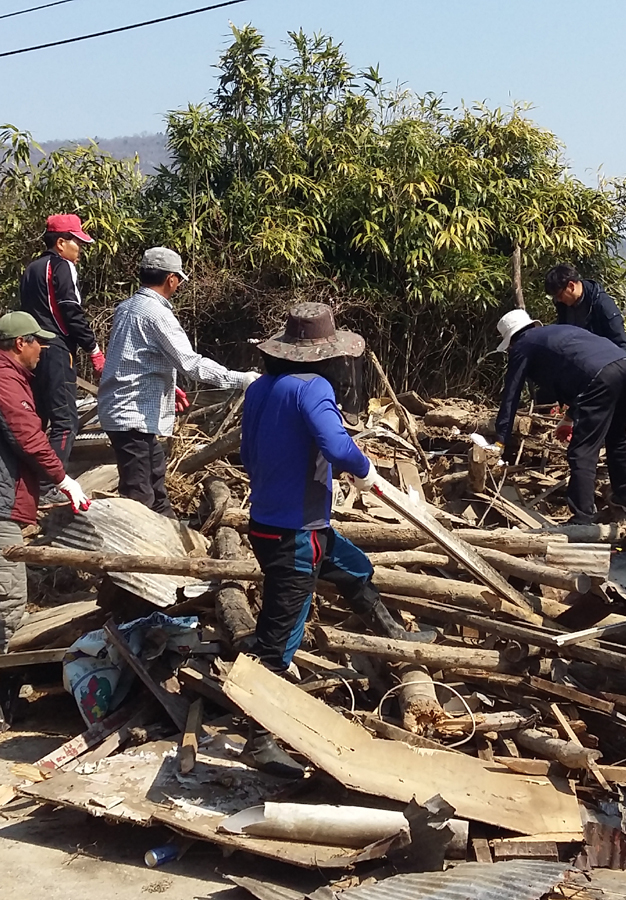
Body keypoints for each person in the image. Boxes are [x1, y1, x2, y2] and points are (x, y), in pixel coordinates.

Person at [239, 302, 434, 778]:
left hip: (279, 524)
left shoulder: (261, 388)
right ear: (323, 357)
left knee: (353, 567)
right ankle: (259, 738)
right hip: (294, 535)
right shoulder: (313, 388)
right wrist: (365, 471)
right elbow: (335, 444)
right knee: (280, 636)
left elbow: (248, 452)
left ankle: (393, 633)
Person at [0, 311, 90, 656]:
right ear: (20, 343)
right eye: (37, 341)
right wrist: (64, 479)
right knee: (7, 598)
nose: (41, 348)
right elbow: (28, 436)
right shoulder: (2, 380)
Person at [99, 247, 258, 517]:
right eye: (179, 280)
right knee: (140, 494)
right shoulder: (156, 314)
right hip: (132, 414)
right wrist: (241, 379)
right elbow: (190, 363)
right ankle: (141, 553)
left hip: (128, 411)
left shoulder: (126, 308)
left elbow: (131, 358)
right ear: (171, 279)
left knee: (156, 483)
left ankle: (172, 541)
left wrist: (169, 386)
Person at [490, 310, 626, 525]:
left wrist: (500, 440)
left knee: (582, 451)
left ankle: (583, 517)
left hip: (602, 378)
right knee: (616, 437)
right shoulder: (557, 333)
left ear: (511, 339)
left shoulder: (523, 345)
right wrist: (569, 418)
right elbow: (584, 372)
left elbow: (511, 395)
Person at [19, 214, 105, 486]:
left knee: (37, 418)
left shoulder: (31, 268)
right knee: (66, 422)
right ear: (60, 243)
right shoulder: (62, 266)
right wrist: (92, 348)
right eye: (76, 241)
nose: (79, 248)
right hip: (57, 348)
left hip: (32, 350)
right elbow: (71, 309)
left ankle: (26, 481)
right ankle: (50, 485)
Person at [545, 263, 626, 483]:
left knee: (624, 419)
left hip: (611, 365)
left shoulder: (602, 305)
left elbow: (622, 344)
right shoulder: (565, 308)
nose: (558, 300)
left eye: (559, 294)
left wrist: (615, 375)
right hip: (583, 368)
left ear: (571, 286)